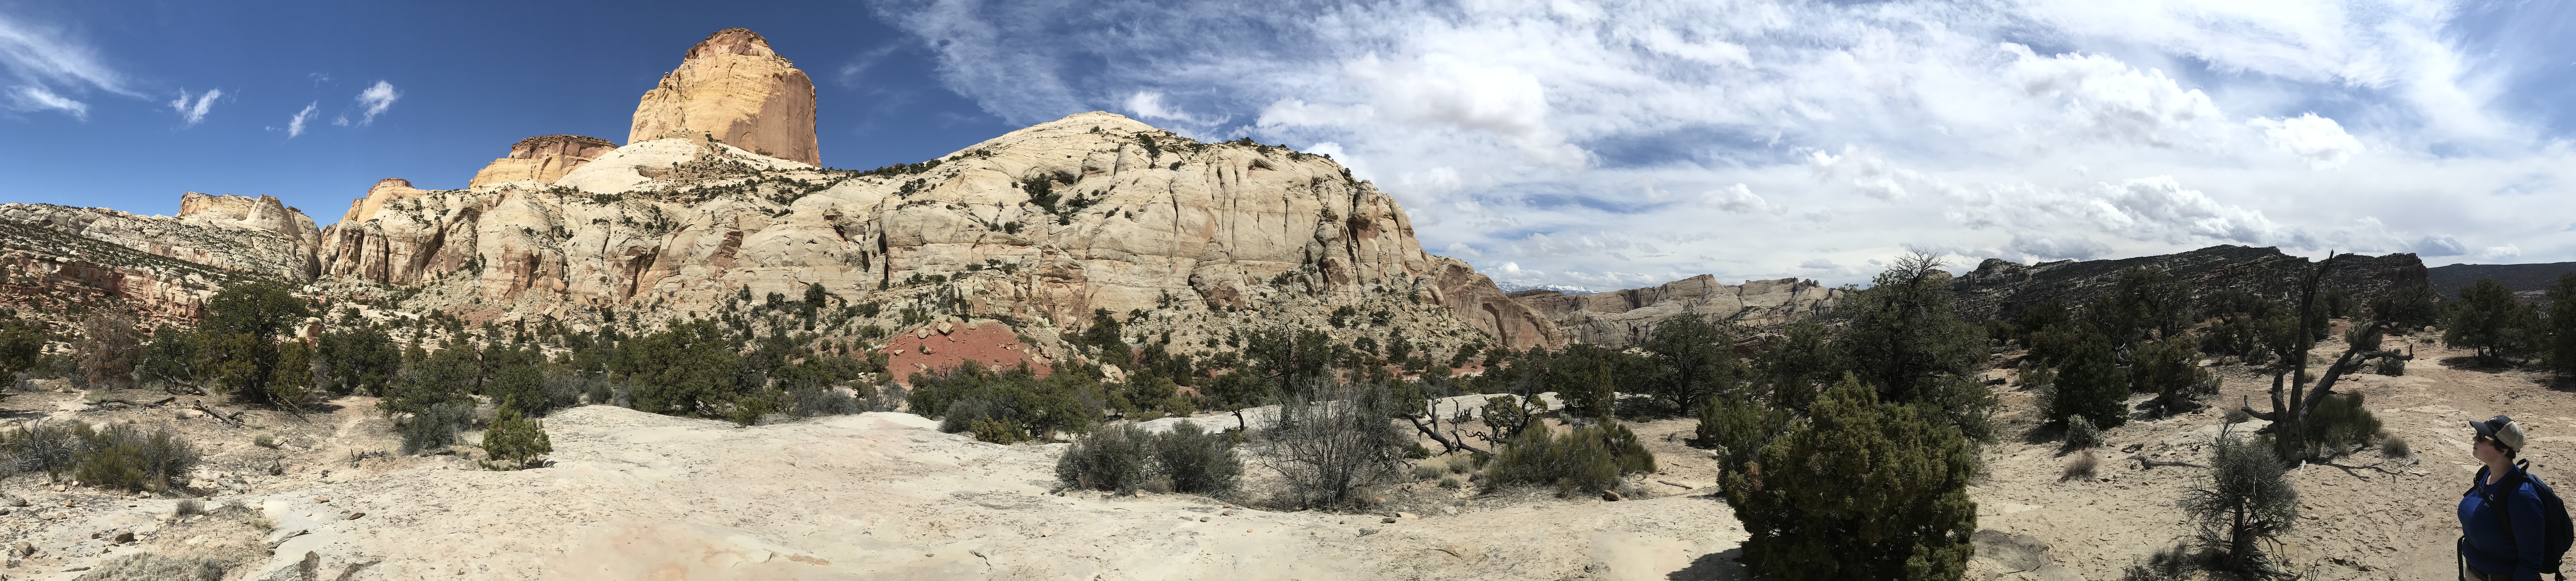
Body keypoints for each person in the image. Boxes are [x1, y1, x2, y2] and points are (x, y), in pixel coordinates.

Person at [2461, 415, 2547, 580]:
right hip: (2474, 572)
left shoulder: (2522, 497)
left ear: (2503, 450)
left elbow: (2531, 561)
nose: (2474, 438)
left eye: (2482, 437)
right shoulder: (2485, 474)